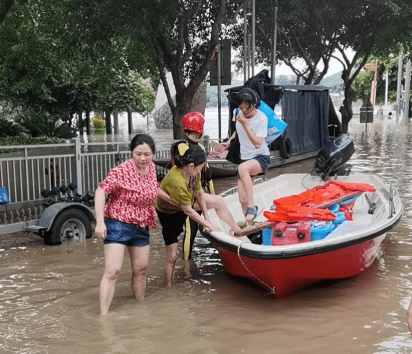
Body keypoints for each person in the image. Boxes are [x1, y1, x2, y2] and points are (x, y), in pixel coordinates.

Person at [95, 133, 175, 315]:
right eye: (138, 153)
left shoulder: (152, 169)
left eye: (147, 154)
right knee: (112, 271)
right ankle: (103, 316)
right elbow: (101, 192)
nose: (142, 158)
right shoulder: (121, 171)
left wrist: (173, 202)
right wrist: (100, 222)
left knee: (140, 270)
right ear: (132, 152)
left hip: (141, 225)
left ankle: (140, 309)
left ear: (153, 154)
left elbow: (153, 188)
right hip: (117, 223)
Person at [155, 144, 243, 286]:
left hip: (185, 202)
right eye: (200, 167)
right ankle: (169, 288)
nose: (202, 169)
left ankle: (239, 233)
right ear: (191, 166)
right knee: (172, 257)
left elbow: (200, 193)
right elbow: (188, 210)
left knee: (219, 201)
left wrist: (207, 218)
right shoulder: (178, 181)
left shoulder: (193, 172)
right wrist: (208, 225)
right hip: (170, 213)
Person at [217, 87, 270, 224]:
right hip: (245, 158)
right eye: (241, 107)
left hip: (260, 157)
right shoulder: (238, 113)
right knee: (242, 199)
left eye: (247, 107)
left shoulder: (261, 119)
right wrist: (228, 142)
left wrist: (245, 124)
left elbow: (258, 143)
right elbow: (237, 131)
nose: (244, 110)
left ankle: (252, 205)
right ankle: (250, 225)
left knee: (242, 168)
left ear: (253, 105)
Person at [173, 111, 215, 260]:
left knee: (193, 228)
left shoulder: (192, 147)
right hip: (187, 196)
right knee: (190, 228)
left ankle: (187, 263)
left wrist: (212, 198)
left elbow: (206, 175)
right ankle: (186, 264)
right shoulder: (183, 147)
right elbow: (201, 174)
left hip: (194, 194)